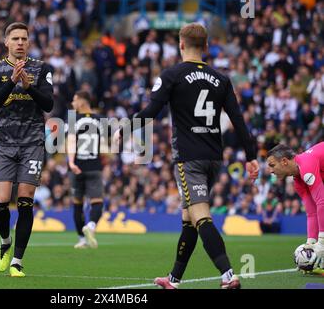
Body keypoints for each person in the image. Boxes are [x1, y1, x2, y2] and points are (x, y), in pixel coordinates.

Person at [114, 23, 259, 289]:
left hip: (189, 158)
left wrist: (125, 128)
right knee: (189, 219)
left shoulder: (172, 75)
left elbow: (151, 111)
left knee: (201, 216)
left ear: (181, 45)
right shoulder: (222, 79)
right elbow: (238, 120)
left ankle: (228, 274)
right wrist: (251, 156)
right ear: (205, 46)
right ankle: (174, 279)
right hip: (214, 158)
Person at [0, 22, 54, 277]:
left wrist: (29, 87)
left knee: (25, 202)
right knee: (1, 202)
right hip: (3, 144)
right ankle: (4, 242)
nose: (20, 43)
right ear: (6, 42)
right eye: (15, 39)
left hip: (32, 143)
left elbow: (48, 104)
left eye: (24, 38)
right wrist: (12, 81)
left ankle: (18, 261)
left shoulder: (41, 69)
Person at [267, 142, 324, 273]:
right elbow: (312, 213)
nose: (270, 171)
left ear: (284, 161)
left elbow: (322, 201)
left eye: (272, 165)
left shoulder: (306, 166)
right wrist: (310, 246)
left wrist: (321, 241)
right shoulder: (298, 181)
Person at [67, 90, 104, 249]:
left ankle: (82, 239)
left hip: (78, 167)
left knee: (77, 204)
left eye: (75, 100)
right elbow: (107, 143)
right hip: (94, 166)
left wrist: (71, 162)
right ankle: (91, 226)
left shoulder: (73, 119)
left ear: (82, 101)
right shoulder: (100, 120)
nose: (73, 104)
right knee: (97, 202)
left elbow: (71, 141)